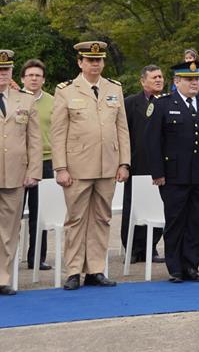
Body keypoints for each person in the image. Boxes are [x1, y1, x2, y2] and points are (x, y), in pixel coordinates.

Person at [51, 41, 131, 290]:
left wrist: (124, 163)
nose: (95, 64)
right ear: (80, 62)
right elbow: (57, 133)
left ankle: (96, 269)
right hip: (77, 167)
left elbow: (122, 129)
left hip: (108, 166)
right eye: (90, 60)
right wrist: (61, 167)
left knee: (102, 218)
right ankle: (74, 270)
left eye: (98, 60)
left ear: (103, 62)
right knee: (75, 220)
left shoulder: (114, 88)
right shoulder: (65, 90)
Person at [145, 61, 199, 282]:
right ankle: (176, 267)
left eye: (197, 79)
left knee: (197, 221)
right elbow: (153, 142)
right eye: (189, 79)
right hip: (174, 174)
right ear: (177, 81)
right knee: (176, 221)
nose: (194, 83)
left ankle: (191, 265)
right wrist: (157, 173)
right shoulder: (162, 104)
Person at [0, 50, 42, 296]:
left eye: (6, 70)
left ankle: (2, 278)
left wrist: (34, 171)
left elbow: (34, 141)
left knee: (9, 229)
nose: (2, 74)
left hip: (16, 175)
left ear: (12, 72)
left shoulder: (25, 100)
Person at [121, 65, 165, 264]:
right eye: (154, 77)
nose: (159, 80)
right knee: (134, 206)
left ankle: (151, 246)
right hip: (137, 163)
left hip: (161, 165)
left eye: (161, 77)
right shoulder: (130, 103)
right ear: (143, 81)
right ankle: (131, 247)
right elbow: (123, 133)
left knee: (157, 206)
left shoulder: (166, 102)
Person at [21, 59, 55, 271]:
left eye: (38, 75)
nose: (34, 79)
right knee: (10, 216)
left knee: (40, 214)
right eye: (30, 75)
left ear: (43, 79)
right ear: (22, 78)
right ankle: (7, 259)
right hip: (18, 163)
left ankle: (37, 257)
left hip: (46, 162)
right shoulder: (14, 99)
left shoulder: (53, 101)